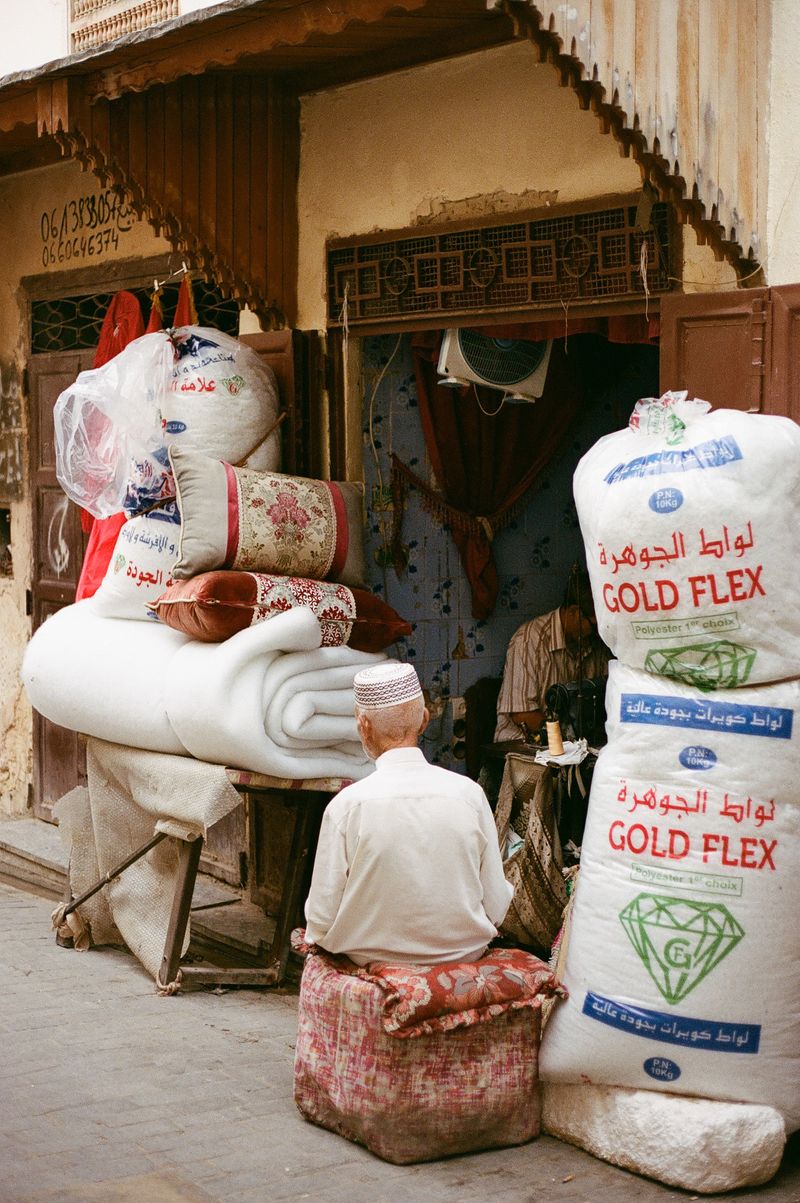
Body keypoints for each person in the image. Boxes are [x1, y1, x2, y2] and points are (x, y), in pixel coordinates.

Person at [304, 661, 513, 966]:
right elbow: (496, 906)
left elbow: (321, 920)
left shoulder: (347, 807)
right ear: (425, 720)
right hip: (462, 957)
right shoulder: (470, 796)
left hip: (369, 961)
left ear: (363, 726)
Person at [494, 568, 610, 743]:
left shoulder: (594, 643)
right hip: (522, 744)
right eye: (593, 625)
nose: (598, 632)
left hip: (572, 744)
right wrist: (564, 738)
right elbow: (522, 713)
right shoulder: (528, 640)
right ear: (573, 612)